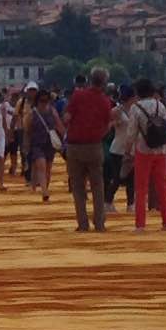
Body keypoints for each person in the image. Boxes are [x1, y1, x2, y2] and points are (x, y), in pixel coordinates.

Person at [61, 64, 116, 231]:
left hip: (75, 146)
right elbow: (108, 126)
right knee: (97, 186)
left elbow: (67, 118)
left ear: (90, 79)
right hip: (94, 146)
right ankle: (99, 223)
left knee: (78, 187)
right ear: (104, 82)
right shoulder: (105, 102)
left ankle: (82, 223)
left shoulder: (78, 96)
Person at [124, 75, 166, 229]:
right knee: (162, 186)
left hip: (143, 150)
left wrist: (127, 151)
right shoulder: (160, 106)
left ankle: (140, 224)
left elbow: (131, 132)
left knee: (141, 188)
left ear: (138, 92)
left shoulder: (136, 108)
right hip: (160, 150)